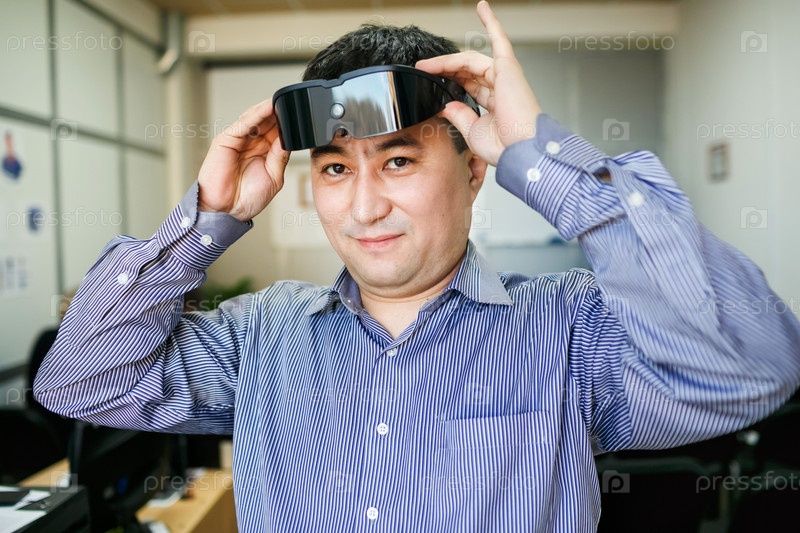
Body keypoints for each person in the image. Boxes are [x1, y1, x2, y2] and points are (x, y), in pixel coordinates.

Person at [34, 2, 800, 531]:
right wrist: (206, 221)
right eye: (336, 169)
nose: (364, 206)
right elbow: (79, 378)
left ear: (474, 169)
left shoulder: (570, 328)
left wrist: (541, 157)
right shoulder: (257, 337)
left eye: (398, 160)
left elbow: (755, 363)